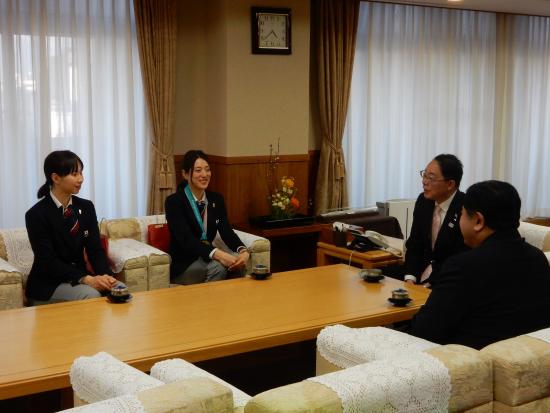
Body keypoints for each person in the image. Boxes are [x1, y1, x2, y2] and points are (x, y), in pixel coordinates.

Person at [409, 180, 550, 349]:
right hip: (528, 359)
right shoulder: (538, 258)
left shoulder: (463, 267)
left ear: (478, 221)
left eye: (462, 214)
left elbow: (424, 331)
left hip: (469, 362)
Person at [25, 150, 119, 304]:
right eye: (75, 174)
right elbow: (48, 261)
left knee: (119, 289)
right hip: (49, 284)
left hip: (79, 277)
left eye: (81, 173)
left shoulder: (86, 207)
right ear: (56, 178)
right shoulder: (36, 214)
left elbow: (95, 249)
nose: (81, 179)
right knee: (91, 295)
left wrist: (106, 277)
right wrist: (86, 279)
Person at [165, 150, 249, 284]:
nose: (204, 175)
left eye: (207, 170)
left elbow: (227, 231)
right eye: (198, 170)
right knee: (220, 267)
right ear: (185, 174)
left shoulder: (216, 199)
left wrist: (243, 250)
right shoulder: (174, 202)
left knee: (238, 263)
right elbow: (187, 240)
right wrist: (219, 254)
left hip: (207, 256)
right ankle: (208, 304)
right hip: (186, 263)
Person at [403, 154, 467, 286]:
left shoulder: (465, 208)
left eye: (431, 178)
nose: (424, 182)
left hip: (448, 279)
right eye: (424, 175)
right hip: (420, 273)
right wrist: (410, 278)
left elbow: (460, 256)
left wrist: (430, 283)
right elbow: (415, 243)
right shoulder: (423, 201)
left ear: (450, 184)